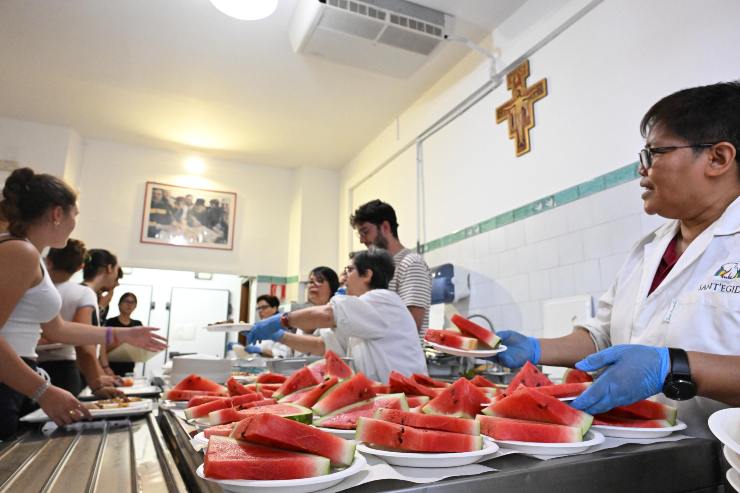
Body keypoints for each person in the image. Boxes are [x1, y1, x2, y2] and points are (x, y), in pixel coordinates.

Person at [492, 81, 740, 437]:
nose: (642, 169)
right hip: (640, 457)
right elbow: (601, 337)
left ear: (717, 158)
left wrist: (675, 367)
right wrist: (534, 347)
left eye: (653, 154)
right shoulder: (648, 250)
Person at [0, 168, 167, 438]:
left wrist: (125, 333)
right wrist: (41, 390)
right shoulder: (20, 251)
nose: (74, 222)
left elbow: (57, 329)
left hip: (16, 376)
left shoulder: (29, 253)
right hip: (9, 377)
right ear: (57, 214)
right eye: (75, 214)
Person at [248, 249, 428, 382]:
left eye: (349, 271)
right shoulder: (362, 311)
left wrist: (282, 320)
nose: (343, 278)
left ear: (367, 275)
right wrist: (281, 336)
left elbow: (327, 315)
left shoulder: (382, 300)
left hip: (406, 394)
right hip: (383, 394)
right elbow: (323, 346)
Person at [37, 239, 121, 398]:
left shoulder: (38, 288)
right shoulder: (83, 293)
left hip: (32, 366)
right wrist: (97, 382)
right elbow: (84, 344)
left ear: (48, 260)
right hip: (65, 369)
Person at [350, 200, 432, 333]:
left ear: (385, 227)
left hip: (402, 354)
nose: (361, 240)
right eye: (360, 234)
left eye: (365, 232)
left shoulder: (411, 263)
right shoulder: (378, 269)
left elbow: (411, 324)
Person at [105, 292, 144, 376]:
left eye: (132, 302)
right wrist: (106, 367)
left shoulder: (138, 325)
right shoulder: (110, 322)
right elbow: (104, 347)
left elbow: (140, 347)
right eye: (126, 301)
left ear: (135, 306)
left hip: (129, 368)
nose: (129, 305)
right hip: (111, 367)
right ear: (119, 304)